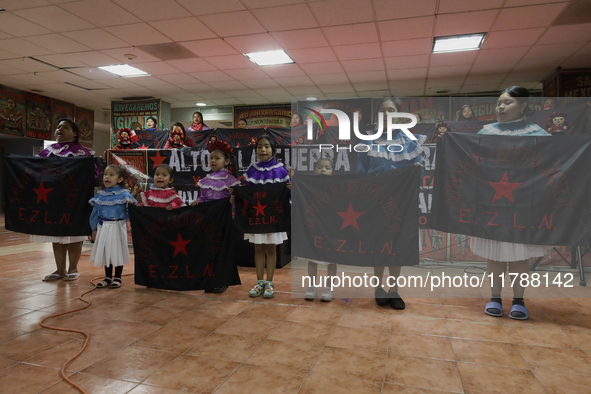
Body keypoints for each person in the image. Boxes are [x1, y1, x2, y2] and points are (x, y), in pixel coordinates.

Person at [473, 86, 551, 320]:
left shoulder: (537, 133)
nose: (501, 107)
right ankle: (495, 298)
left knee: (519, 255)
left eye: (507, 103)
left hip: (524, 202)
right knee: (494, 253)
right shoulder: (485, 132)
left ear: (524, 105)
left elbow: (552, 163)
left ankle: (519, 300)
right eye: (499, 103)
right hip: (492, 202)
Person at [356, 97, 425, 309]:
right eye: (382, 111)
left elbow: (417, 171)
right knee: (379, 245)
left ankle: (394, 289)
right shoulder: (367, 141)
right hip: (375, 201)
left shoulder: (409, 141)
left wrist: (416, 170)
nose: (386, 114)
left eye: (391, 110)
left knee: (397, 245)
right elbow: (360, 173)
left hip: (401, 202)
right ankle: (378, 288)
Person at [34, 119, 98, 282]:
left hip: (75, 200)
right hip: (53, 199)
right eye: (58, 127)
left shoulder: (83, 153)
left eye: (65, 127)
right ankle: (60, 269)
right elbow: (34, 168)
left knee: (74, 234)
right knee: (57, 234)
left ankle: (73, 268)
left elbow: (94, 174)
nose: (59, 129)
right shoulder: (47, 151)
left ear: (75, 133)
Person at [242, 135, 291, 299]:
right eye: (259, 147)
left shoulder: (280, 170)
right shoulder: (251, 170)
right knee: (258, 249)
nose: (263, 150)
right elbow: (246, 193)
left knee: (270, 248)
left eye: (266, 146)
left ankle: (269, 282)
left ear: (274, 150)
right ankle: (259, 281)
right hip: (256, 217)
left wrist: (290, 188)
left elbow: (286, 195)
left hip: (273, 217)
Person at [191, 141, 241, 293]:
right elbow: (203, 198)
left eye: (217, 158)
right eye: (211, 158)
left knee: (223, 250)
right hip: (209, 221)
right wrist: (197, 202)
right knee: (210, 249)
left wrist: (233, 199)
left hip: (224, 222)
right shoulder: (206, 180)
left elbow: (237, 200)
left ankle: (222, 280)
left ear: (226, 161)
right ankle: (211, 279)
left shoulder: (230, 180)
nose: (213, 161)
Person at [89, 165, 137, 288]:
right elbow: (95, 213)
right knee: (106, 252)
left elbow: (131, 210)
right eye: (105, 174)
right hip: (103, 226)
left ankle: (118, 277)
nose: (107, 177)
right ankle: (108, 277)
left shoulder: (124, 194)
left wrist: (129, 206)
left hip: (117, 226)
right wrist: (93, 228)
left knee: (117, 251)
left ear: (120, 179)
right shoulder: (101, 195)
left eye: (111, 175)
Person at [304, 158, 338, 302]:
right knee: (312, 257)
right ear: (314, 170)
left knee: (331, 259)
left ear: (333, 172)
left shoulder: (337, 187)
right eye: (320, 167)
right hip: (314, 227)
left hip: (332, 228)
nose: (323, 170)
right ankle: (312, 286)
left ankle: (329, 288)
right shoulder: (307, 185)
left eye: (327, 168)